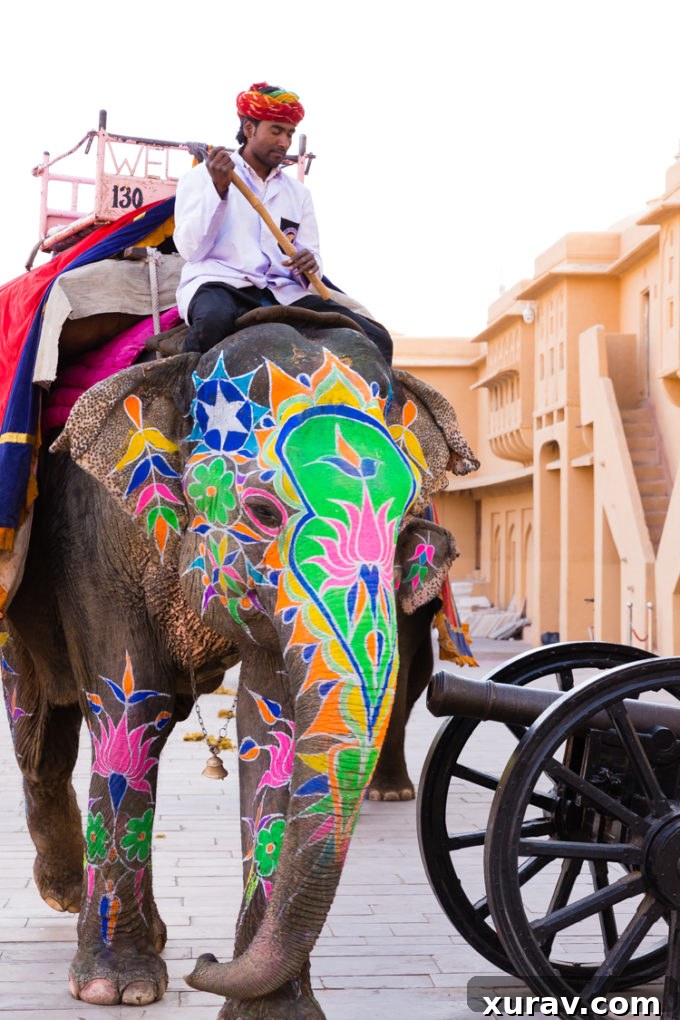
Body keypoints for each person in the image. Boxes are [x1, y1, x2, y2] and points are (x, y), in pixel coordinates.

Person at [173, 82, 393, 363]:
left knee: (375, 338)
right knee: (211, 324)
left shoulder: (298, 194)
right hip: (221, 283)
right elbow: (191, 250)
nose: (284, 142)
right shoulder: (203, 176)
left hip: (283, 291)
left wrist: (310, 263)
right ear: (250, 129)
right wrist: (218, 190)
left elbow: (310, 251)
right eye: (276, 131)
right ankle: (184, 398)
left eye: (289, 133)